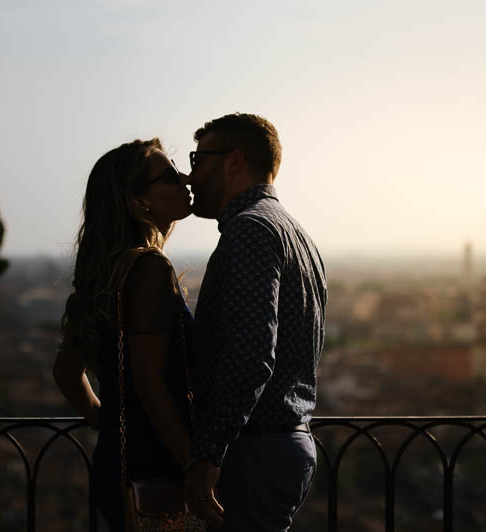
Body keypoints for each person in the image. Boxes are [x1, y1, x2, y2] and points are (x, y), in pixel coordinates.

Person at [183, 113, 327, 531]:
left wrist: (209, 455)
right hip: (285, 441)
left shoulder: (249, 230)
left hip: (253, 450)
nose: (190, 178)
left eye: (198, 160)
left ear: (234, 161)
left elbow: (251, 356)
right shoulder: (297, 234)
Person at [53, 139, 204, 531]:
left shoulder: (108, 275)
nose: (185, 178)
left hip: (119, 463)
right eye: (170, 175)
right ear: (139, 202)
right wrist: (196, 467)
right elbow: (149, 381)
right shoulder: (150, 268)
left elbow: (66, 372)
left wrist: (107, 416)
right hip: (160, 467)